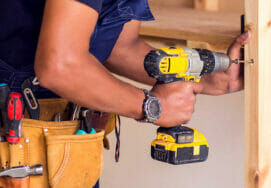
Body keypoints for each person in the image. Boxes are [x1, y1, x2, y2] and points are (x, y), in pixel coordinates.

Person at [0, 0, 250, 186]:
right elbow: (59, 66)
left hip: (66, 151)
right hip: (15, 149)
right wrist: (152, 106)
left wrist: (204, 79)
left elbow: (118, 46)